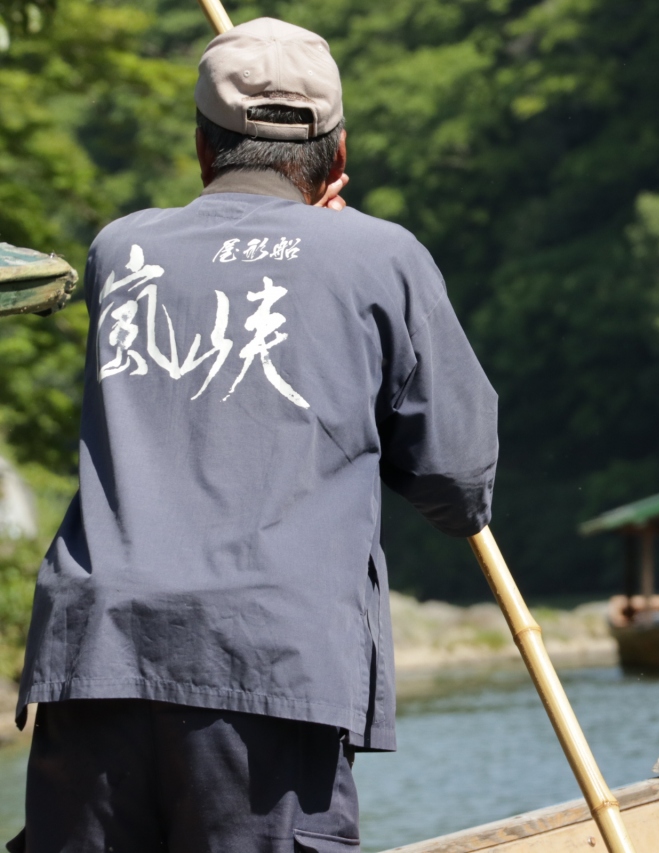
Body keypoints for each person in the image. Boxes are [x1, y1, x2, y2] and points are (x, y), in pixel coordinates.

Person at [10, 18, 498, 853]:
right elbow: (458, 485)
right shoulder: (381, 256)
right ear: (337, 156)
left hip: (95, 657)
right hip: (269, 669)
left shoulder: (120, 250)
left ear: (203, 149)